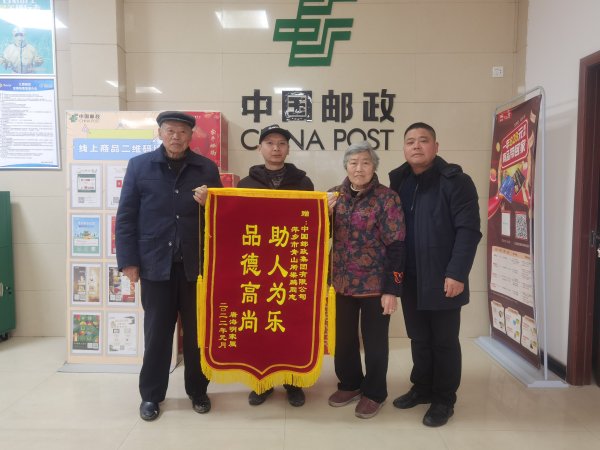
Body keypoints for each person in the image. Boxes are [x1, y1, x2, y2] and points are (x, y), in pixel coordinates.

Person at [116, 111, 223, 421]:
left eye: (182, 131)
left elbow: (223, 215)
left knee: (197, 335)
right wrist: (129, 261)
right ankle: (151, 396)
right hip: (155, 264)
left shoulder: (206, 168)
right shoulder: (140, 166)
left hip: (196, 267)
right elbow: (126, 217)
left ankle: (198, 391)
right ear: (160, 133)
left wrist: (211, 203)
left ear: (191, 136)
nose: (176, 136)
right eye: (170, 130)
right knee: (157, 335)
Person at [389, 122, 481, 427]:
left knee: (443, 341)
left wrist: (457, 273)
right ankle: (422, 387)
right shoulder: (399, 181)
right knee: (418, 337)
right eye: (410, 141)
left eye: (423, 140)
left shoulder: (456, 181)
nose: (416, 146)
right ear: (404, 148)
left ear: (436, 147)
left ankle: (444, 399)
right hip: (410, 277)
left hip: (444, 278)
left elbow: (468, 231)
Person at [327, 141, 405, 419]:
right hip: (341, 283)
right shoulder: (333, 196)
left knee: (375, 343)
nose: (359, 168)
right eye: (353, 163)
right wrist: (323, 213)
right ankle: (350, 384)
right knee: (343, 340)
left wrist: (392, 289)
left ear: (374, 167)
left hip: (375, 285)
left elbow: (397, 245)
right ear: (345, 166)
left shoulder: (387, 198)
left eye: (365, 163)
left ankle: (374, 393)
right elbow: (317, 234)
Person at [238, 124, 314, 407]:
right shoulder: (245, 184)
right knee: (261, 325)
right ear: (260, 148)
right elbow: (234, 224)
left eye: (281, 143)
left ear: (288, 149)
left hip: (291, 263)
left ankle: (294, 383)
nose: (276, 148)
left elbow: (311, 223)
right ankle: (263, 382)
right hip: (257, 266)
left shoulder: (303, 183)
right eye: (270, 143)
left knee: (292, 324)